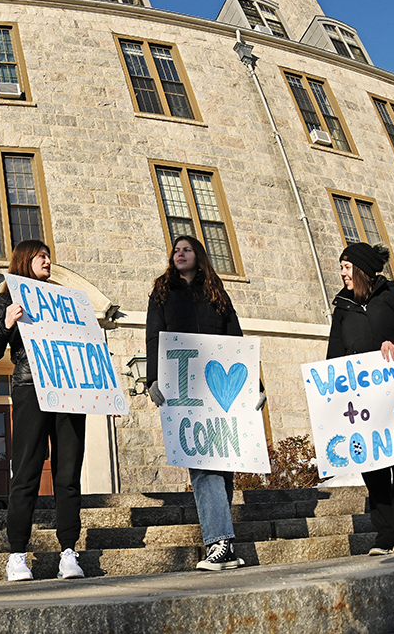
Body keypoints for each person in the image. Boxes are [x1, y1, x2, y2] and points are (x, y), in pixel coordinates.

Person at [146, 234, 264, 571]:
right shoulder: (162, 292)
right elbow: (154, 335)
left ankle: (222, 544)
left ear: (199, 255)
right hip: (184, 387)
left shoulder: (217, 293)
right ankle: (220, 542)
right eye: (175, 250)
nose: (179, 254)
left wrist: (254, 385)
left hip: (221, 385)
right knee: (202, 463)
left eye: (186, 249)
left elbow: (235, 338)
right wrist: (153, 378)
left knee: (223, 467)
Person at [0, 240, 86, 582]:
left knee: (68, 475)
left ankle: (68, 552)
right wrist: (7, 323)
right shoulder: (5, 299)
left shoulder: (65, 302)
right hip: (30, 387)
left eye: (50, 256)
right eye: (42, 256)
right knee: (26, 472)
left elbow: (87, 345)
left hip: (71, 389)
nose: (49, 261)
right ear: (25, 259)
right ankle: (16, 555)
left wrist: (105, 392)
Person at [326, 242, 394, 555]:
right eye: (341, 267)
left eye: (346, 267)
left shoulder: (393, 296)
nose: (342, 273)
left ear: (362, 269)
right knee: (372, 464)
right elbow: (334, 355)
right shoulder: (342, 308)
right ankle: (385, 534)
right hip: (362, 401)